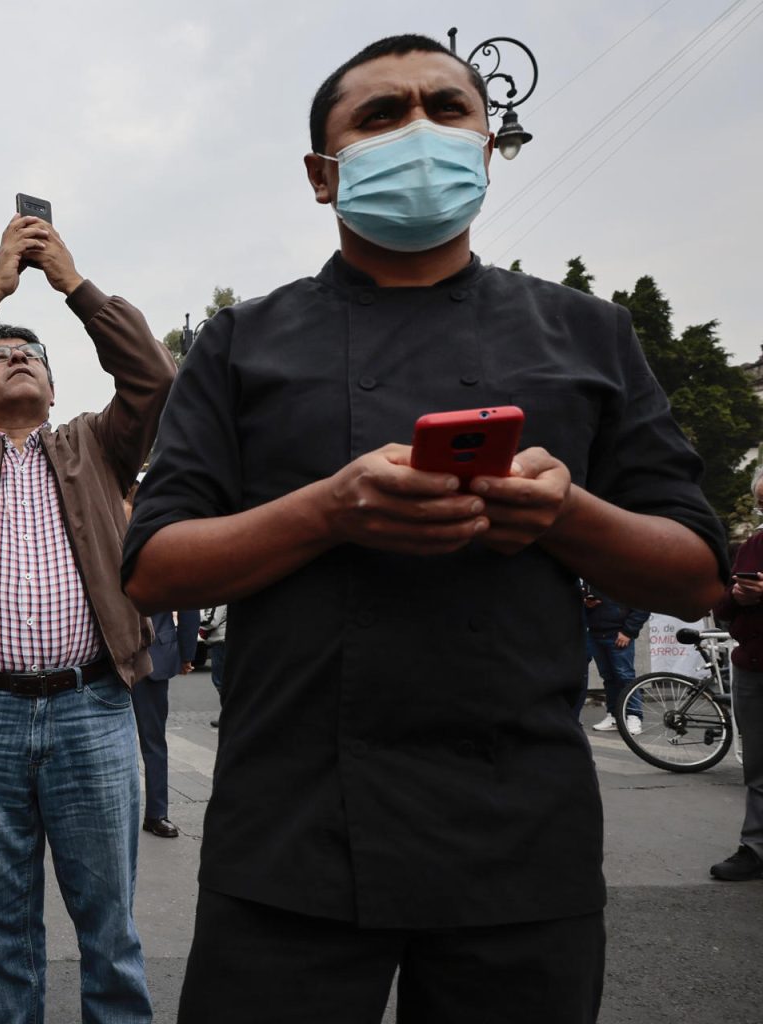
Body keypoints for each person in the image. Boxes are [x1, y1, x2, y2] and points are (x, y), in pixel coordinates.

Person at [121, 34, 728, 1023]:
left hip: (520, 836)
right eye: (380, 115)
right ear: (323, 175)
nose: (419, 130)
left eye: (448, 108)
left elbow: (697, 570)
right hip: (291, 829)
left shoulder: (587, 333)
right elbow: (152, 569)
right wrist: (329, 507)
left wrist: (564, 511)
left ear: (487, 147)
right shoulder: (242, 342)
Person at [0, 216, 174, 1024]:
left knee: (108, 924)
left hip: (94, 708)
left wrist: (72, 286)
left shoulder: (96, 445)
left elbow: (154, 377)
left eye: (34, 355)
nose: (18, 357)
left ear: (54, 388)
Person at [708, 464, 763, 881]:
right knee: (758, 765)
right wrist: (738, 597)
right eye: (761, 504)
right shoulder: (752, 545)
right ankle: (756, 847)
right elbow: (721, 609)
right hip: (753, 666)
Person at [136, 608, 198, 838]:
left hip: (154, 654)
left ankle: (156, 813)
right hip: (103, 658)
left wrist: (186, 652)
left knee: (153, 741)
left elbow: (188, 603)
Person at [583, 583, 650, 733]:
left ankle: (634, 715)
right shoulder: (590, 575)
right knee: (608, 677)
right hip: (596, 632)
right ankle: (613, 715)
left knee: (625, 676)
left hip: (619, 633)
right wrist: (587, 604)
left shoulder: (624, 573)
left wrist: (628, 631)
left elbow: (643, 604)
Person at [200, 605, 228, 728]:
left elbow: (212, 620)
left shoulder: (220, 596)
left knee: (220, 681)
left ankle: (228, 714)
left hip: (220, 639)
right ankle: (227, 714)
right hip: (223, 638)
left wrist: (196, 621)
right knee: (223, 680)